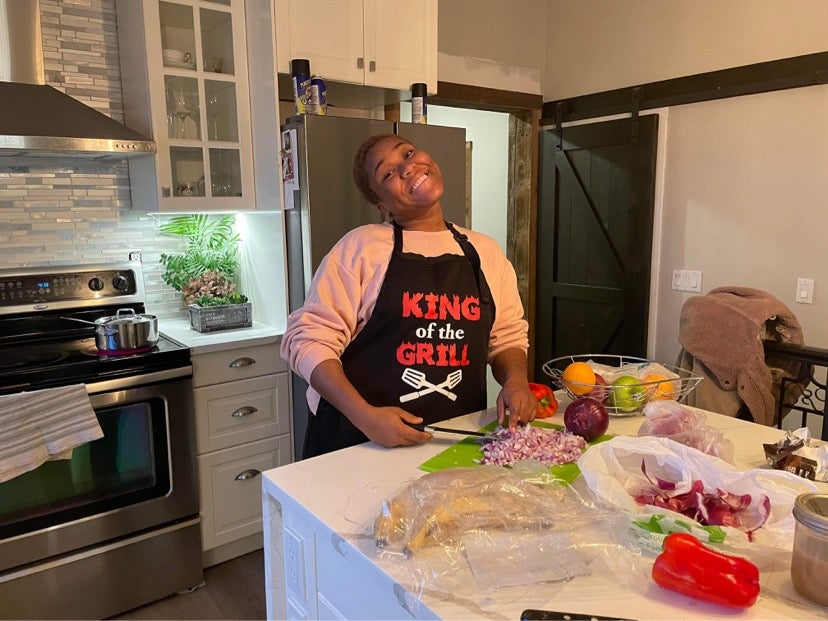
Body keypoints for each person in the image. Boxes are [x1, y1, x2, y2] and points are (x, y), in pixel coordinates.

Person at [281, 134, 536, 458]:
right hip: (357, 445)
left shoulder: (484, 251)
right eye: (387, 173)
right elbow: (309, 342)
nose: (406, 167)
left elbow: (506, 336)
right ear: (382, 204)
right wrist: (366, 417)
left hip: (453, 443)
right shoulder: (361, 248)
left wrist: (515, 381)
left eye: (408, 153)